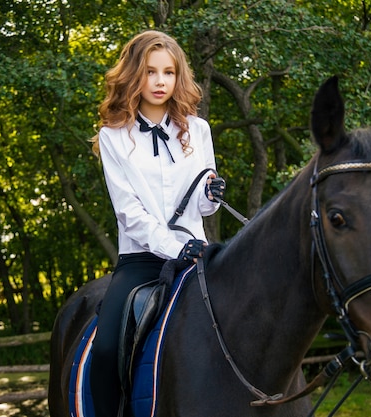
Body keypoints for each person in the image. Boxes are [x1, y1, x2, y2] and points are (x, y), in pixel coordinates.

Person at [89, 30, 225, 417]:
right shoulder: (113, 137)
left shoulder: (197, 130)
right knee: (105, 350)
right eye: (150, 72)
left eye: (168, 72)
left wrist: (211, 193)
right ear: (135, 75)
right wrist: (174, 247)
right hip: (141, 260)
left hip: (198, 257)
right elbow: (128, 213)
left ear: (178, 77)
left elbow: (203, 205)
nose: (160, 81)